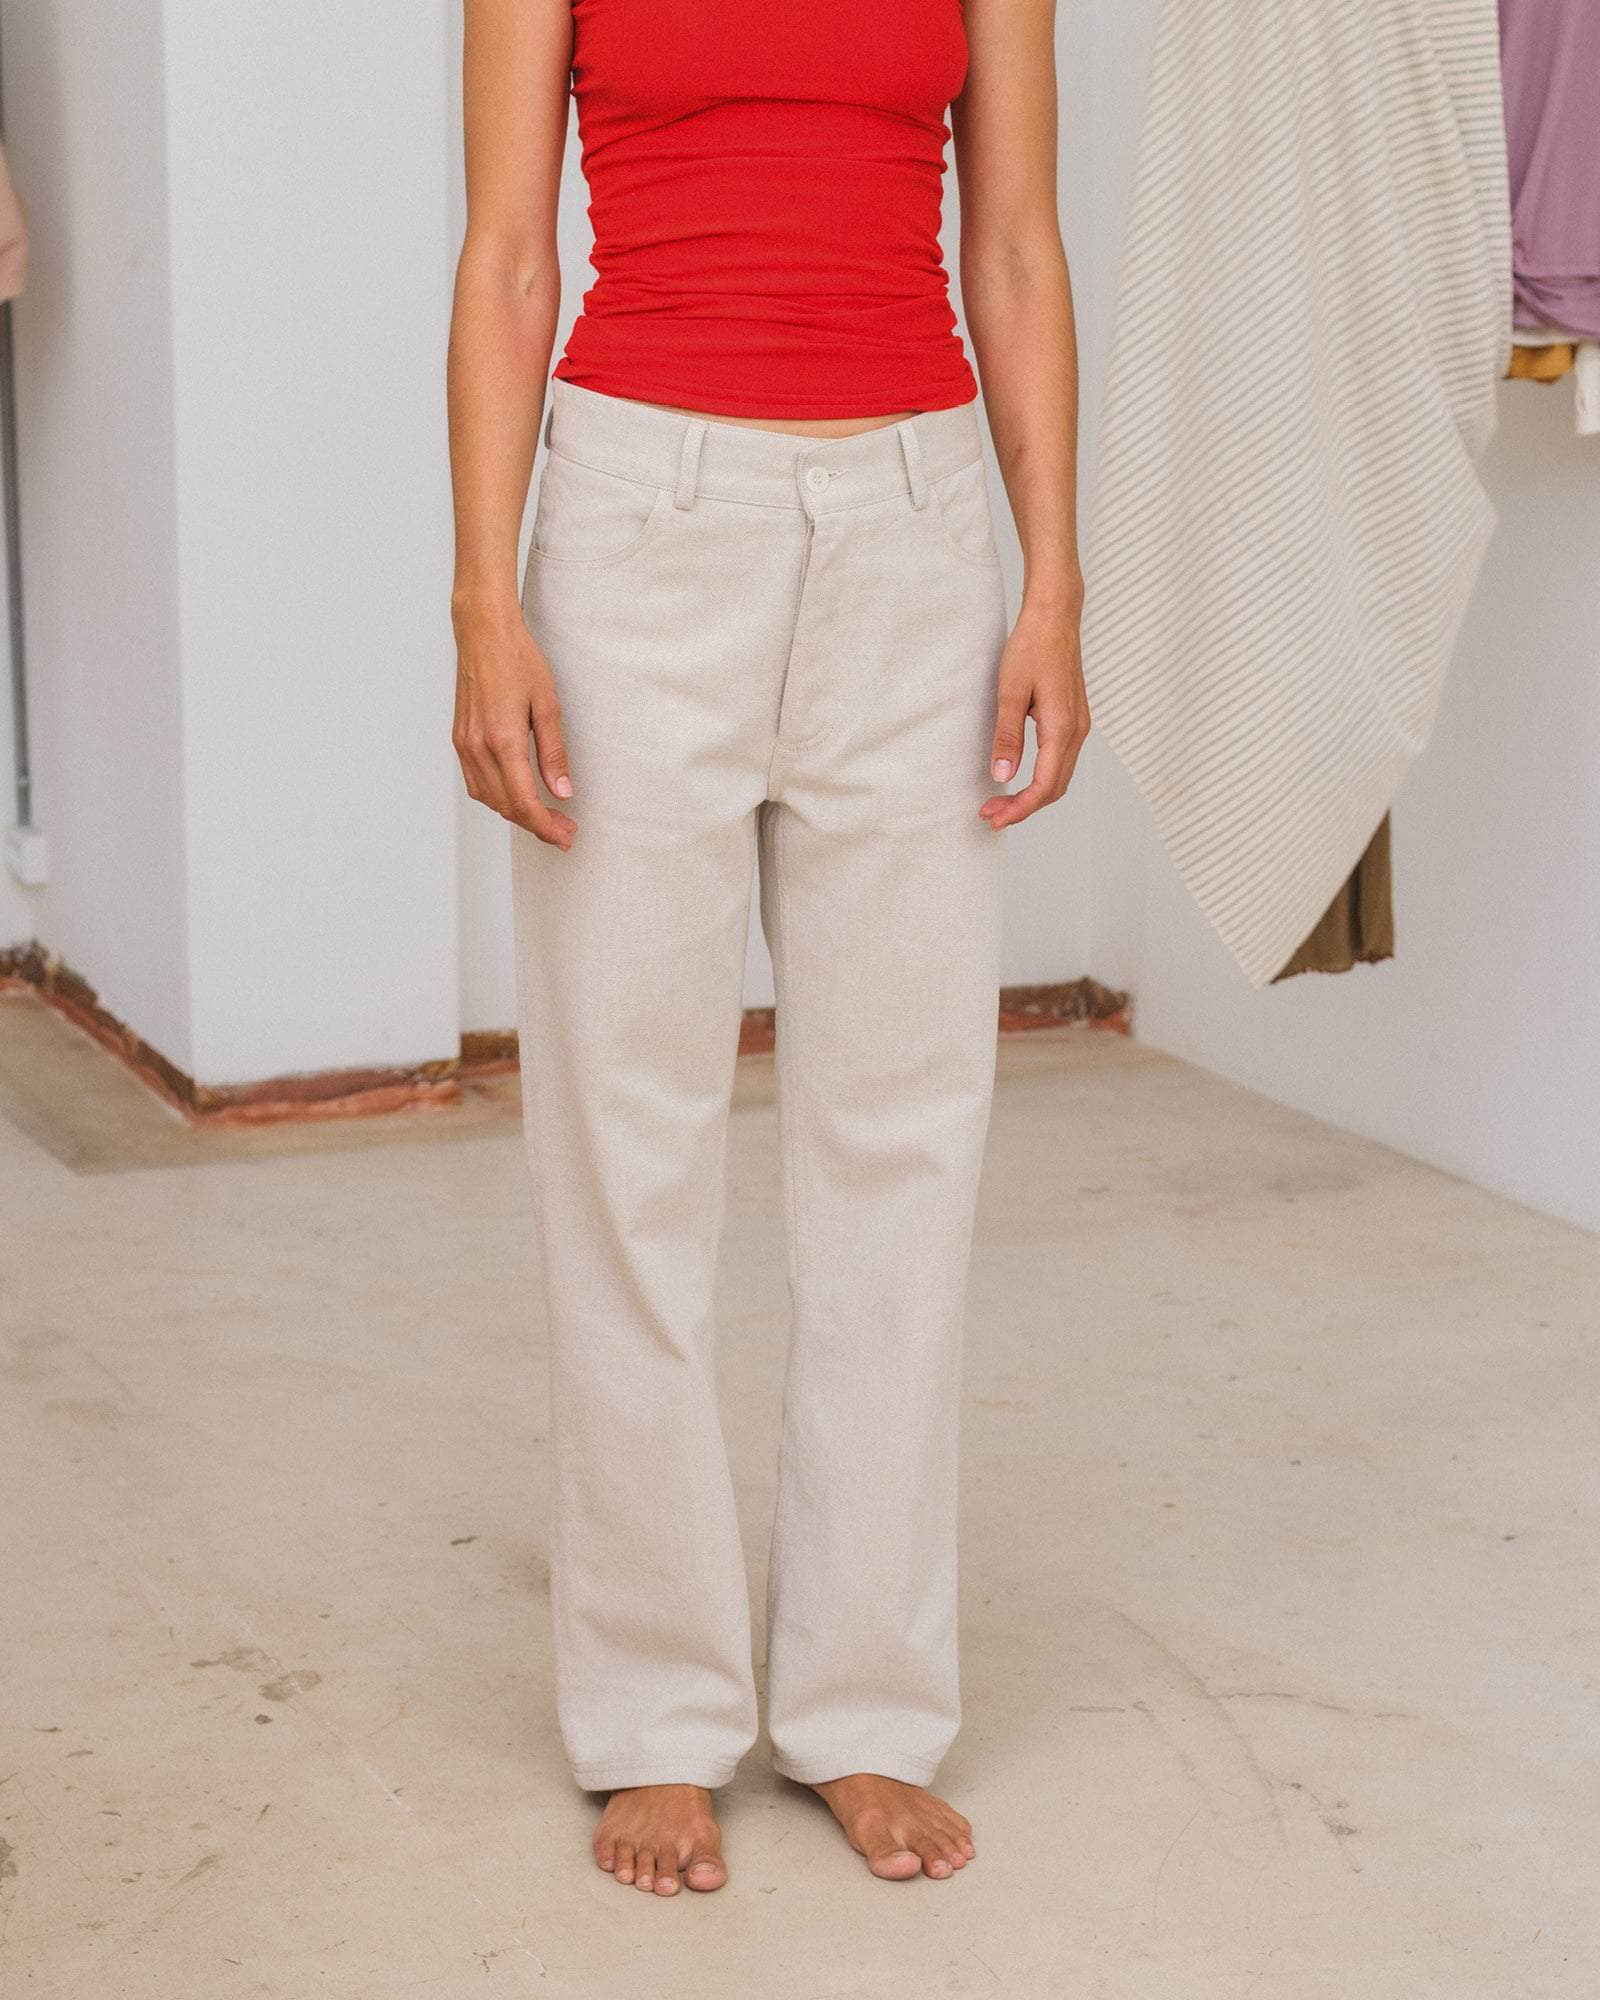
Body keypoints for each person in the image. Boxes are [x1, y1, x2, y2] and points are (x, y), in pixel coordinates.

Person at [446, 0, 1086, 1897]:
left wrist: (1054, 578)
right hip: (640, 527)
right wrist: (485, 598)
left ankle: (864, 1705)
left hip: (916, 531)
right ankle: (655, 1713)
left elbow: (1016, 247)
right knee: (626, 1142)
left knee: (902, 1137)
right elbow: (506, 255)